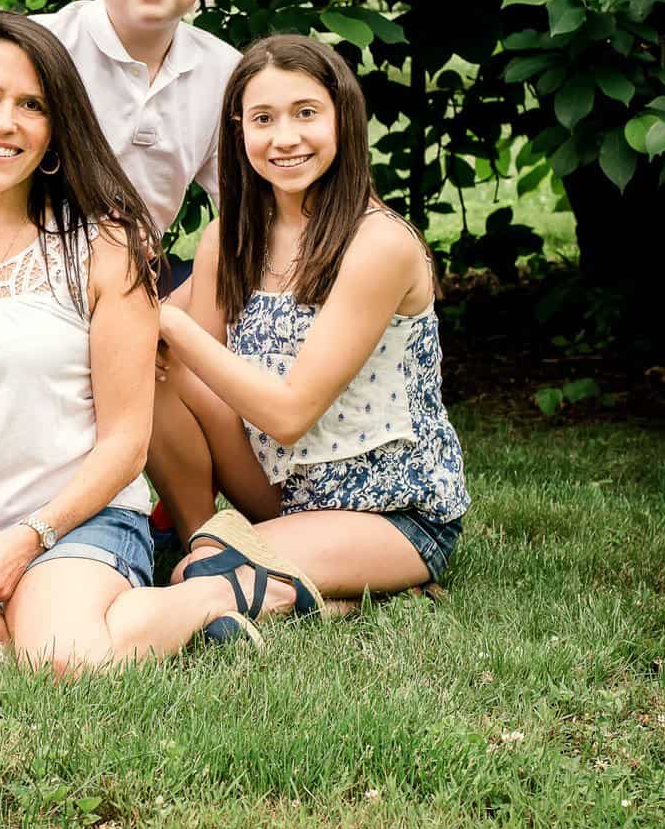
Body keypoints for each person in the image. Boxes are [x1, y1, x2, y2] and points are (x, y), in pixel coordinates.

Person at [0, 13, 318, 669]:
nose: (4, 121)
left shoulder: (104, 247)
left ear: (54, 135)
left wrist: (29, 537)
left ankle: (211, 594)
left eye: (32, 106)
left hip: (72, 524)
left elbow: (125, 441)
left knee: (64, 654)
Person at [153, 35, 470, 617]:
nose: (285, 138)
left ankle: (341, 585)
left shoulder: (378, 244)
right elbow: (196, 384)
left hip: (385, 507)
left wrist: (170, 321)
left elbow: (290, 414)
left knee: (200, 576)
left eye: (306, 114)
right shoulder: (230, 235)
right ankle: (204, 533)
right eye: (263, 118)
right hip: (278, 490)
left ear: (342, 119)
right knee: (153, 375)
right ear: (238, 129)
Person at [31, 0, 240, 285]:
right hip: (20, 268)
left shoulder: (226, 72)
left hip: (136, 275)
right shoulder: (38, 48)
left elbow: (249, 210)